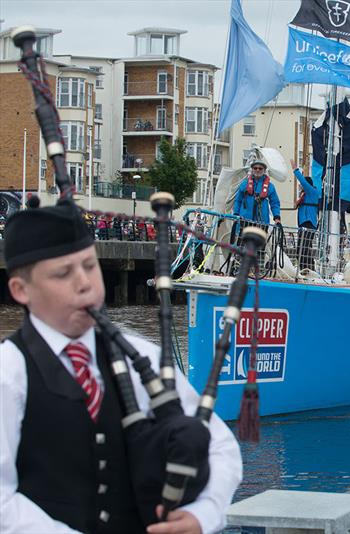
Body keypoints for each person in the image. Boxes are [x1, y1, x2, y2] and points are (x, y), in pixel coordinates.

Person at [0, 202, 242, 534]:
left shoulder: (140, 356)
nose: (84, 283)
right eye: (63, 273)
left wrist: (203, 513)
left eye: (90, 266)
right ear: (20, 290)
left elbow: (218, 444)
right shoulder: (8, 373)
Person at [233, 159, 281, 228]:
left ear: (264, 171)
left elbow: (275, 203)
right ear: (252, 170)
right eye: (255, 168)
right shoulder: (244, 184)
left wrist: (277, 217)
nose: (257, 170)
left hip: (262, 222)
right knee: (243, 238)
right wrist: (236, 214)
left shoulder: (270, 187)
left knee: (260, 238)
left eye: (260, 168)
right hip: (244, 221)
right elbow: (238, 200)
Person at [291, 159, 320, 273]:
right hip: (304, 223)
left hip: (309, 222)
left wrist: (295, 170)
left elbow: (303, 182)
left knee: (303, 248)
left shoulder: (312, 192)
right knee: (303, 248)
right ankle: (307, 269)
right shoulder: (305, 196)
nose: (301, 187)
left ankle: (308, 269)